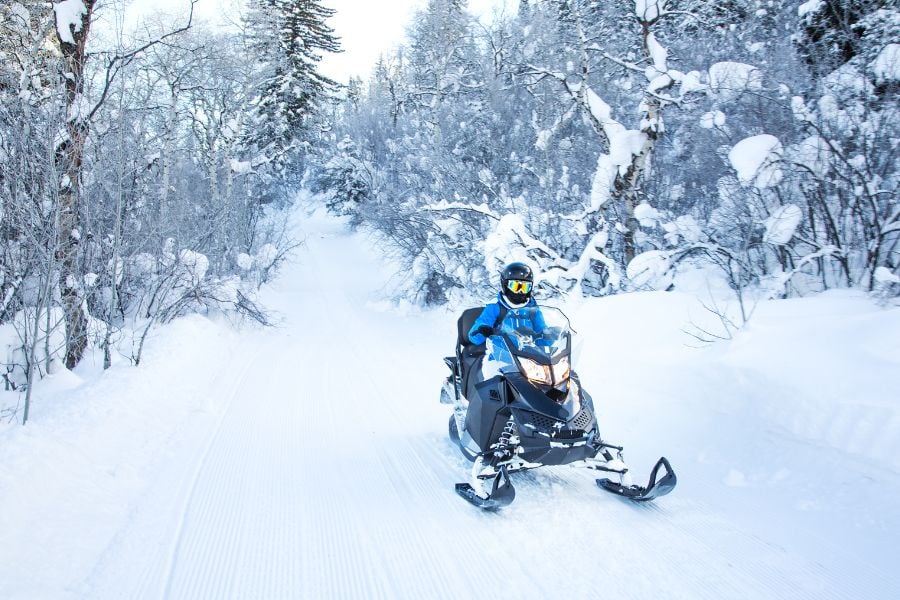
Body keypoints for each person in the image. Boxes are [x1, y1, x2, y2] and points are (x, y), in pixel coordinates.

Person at [468, 262, 538, 346]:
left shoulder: (532, 308)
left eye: (525, 287)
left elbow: (541, 330)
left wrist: (549, 334)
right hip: (499, 352)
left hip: (527, 353)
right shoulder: (495, 307)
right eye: (516, 286)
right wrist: (482, 329)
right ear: (505, 285)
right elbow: (474, 335)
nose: (520, 291)